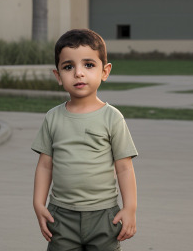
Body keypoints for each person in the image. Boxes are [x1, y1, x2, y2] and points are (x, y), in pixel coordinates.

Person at [32, 29, 138, 251]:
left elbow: (124, 168)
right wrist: (38, 204)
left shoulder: (112, 117)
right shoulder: (53, 117)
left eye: (88, 65)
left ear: (105, 71)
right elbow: (44, 165)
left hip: (104, 216)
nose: (78, 73)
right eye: (68, 67)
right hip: (60, 216)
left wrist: (130, 208)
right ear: (58, 76)